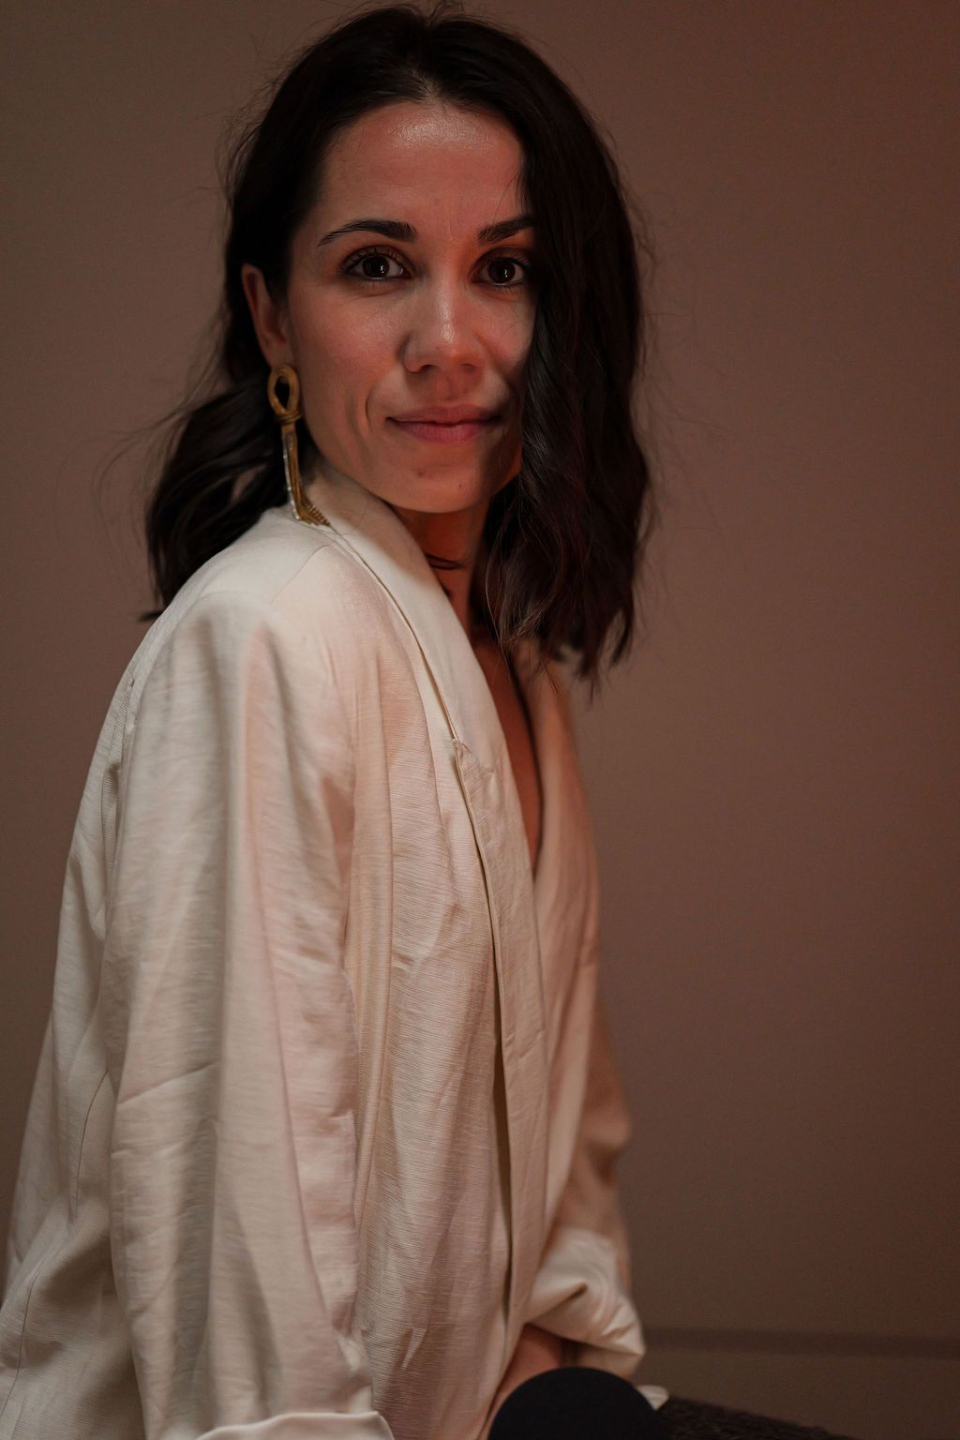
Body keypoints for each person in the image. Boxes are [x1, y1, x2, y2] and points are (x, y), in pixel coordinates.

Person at [0, 3, 663, 1437]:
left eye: (506, 270)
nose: (449, 341)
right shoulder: (267, 638)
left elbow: (564, 1171)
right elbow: (253, 1312)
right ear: (269, 315)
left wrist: (549, 1357)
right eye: (377, 266)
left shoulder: (515, 669)